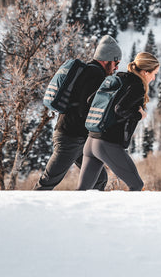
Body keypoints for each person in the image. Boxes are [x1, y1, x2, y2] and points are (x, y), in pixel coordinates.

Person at [34, 35, 122, 191]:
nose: (116, 67)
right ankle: (25, 209)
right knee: (48, 181)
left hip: (78, 138)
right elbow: (86, 108)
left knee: (99, 180)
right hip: (70, 138)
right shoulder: (95, 76)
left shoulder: (88, 72)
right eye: (116, 63)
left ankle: (86, 212)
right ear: (106, 59)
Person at [77, 52, 160, 191]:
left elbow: (91, 99)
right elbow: (120, 108)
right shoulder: (136, 85)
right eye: (154, 73)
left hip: (91, 141)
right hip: (106, 144)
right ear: (145, 72)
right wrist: (139, 115)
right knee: (136, 185)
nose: (154, 77)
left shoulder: (119, 78)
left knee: (82, 190)